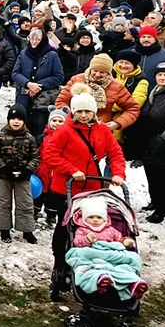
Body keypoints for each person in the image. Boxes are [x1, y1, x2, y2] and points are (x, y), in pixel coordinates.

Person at [42, 83, 127, 301]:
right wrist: (71, 170)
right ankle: (60, 262)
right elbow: (50, 154)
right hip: (67, 187)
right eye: (78, 111)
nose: (83, 115)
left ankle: (90, 262)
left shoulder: (102, 131)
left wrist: (118, 173)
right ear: (72, 111)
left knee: (91, 225)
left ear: (94, 111)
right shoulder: (64, 131)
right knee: (66, 226)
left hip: (92, 188)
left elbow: (116, 153)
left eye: (87, 111)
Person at [65, 195, 148, 299]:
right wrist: (86, 240)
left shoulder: (111, 229)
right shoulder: (82, 230)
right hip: (94, 256)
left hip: (112, 256)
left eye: (99, 217)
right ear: (84, 218)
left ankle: (133, 283)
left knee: (129, 262)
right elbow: (77, 242)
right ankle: (100, 280)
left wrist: (126, 241)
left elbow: (120, 239)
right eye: (91, 217)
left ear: (104, 219)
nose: (95, 220)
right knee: (89, 267)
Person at [125, 62, 165, 223]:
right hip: (149, 141)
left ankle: (163, 209)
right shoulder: (155, 91)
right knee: (152, 174)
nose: (162, 77)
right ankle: (155, 201)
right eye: (160, 74)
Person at [0, 104, 40, 244]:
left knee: (25, 203)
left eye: (19, 119)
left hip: (23, 177)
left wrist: (27, 170)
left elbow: (35, 157)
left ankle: (27, 231)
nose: (16, 121)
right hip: (4, 176)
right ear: (8, 120)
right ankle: (4, 230)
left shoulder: (29, 138)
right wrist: (4, 168)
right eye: (13, 118)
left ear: (24, 121)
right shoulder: (0, 136)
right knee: (3, 203)